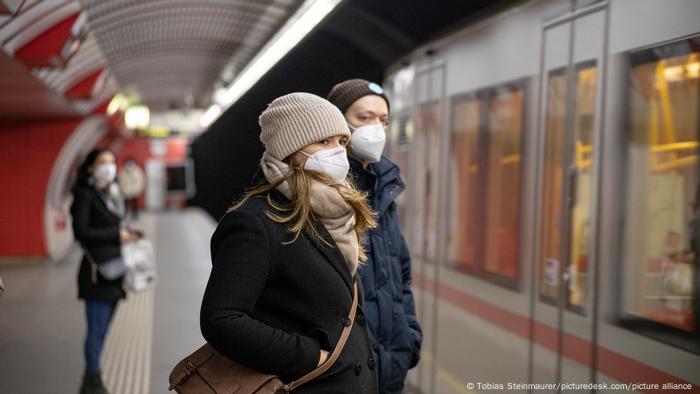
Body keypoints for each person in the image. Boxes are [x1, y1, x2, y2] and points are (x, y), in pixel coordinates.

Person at [200, 93, 378, 393]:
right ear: (290, 150)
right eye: (323, 142)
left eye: (341, 142)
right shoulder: (255, 223)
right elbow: (222, 319)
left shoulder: (333, 215)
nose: (337, 152)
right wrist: (312, 356)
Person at [328, 79, 423, 393]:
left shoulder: (384, 190)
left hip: (389, 369)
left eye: (383, 120)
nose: (376, 129)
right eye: (364, 118)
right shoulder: (327, 192)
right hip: (343, 373)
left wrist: (408, 336)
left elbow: (401, 274)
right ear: (337, 122)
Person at [71, 148, 139, 394]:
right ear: (90, 167)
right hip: (96, 272)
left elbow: (113, 224)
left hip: (115, 269)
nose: (109, 167)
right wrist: (115, 234)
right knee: (96, 329)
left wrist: (126, 233)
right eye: (102, 162)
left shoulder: (111, 193)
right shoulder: (84, 194)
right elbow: (81, 233)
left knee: (104, 329)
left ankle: (90, 377)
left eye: (112, 162)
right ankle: (93, 379)